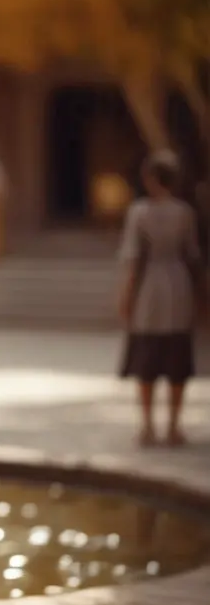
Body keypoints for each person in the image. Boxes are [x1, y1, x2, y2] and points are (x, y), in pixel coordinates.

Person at [118, 149, 203, 448]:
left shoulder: (139, 212)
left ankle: (148, 426)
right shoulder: (184, 212)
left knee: (148, 358)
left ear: (151, 179)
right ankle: (174, 427)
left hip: (150, 288)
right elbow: (192, 255)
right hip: (178, 285)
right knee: (176, 357)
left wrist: (126, 298)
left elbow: (132, 258)